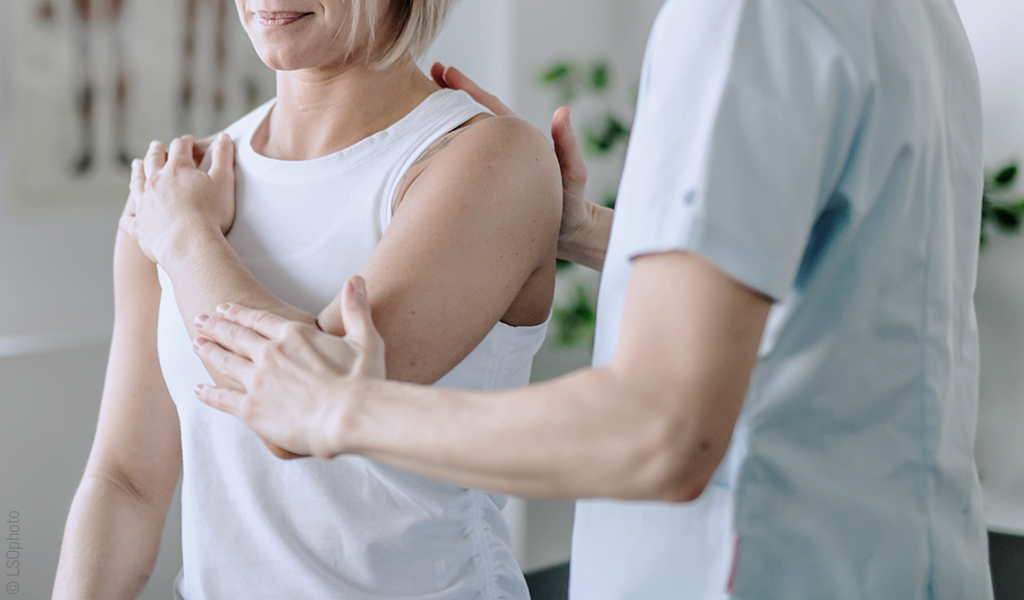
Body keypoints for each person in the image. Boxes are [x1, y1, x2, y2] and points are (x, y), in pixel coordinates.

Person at [186, 0, 996, 598]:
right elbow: (829, 288)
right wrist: (581, 230)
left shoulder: (747, 20)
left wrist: (340, 408)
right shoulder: (917, 17)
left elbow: (660, 431)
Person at [52, 0, 562, 597]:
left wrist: (188, 241)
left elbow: (297, 416)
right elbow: (126, 481)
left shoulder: (491, 159)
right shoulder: (179, 188)